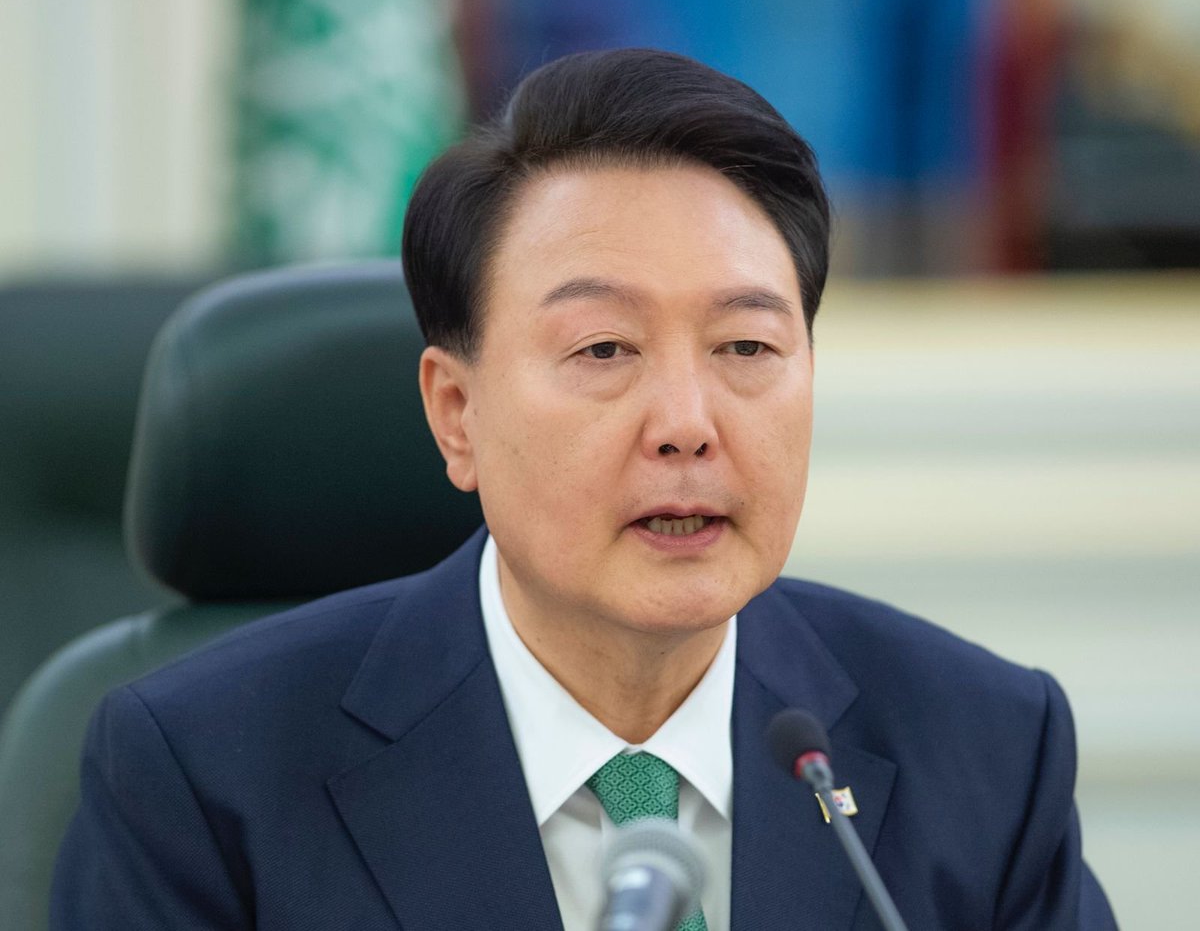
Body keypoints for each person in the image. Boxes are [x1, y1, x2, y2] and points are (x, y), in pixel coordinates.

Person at [51, 48, 1116, 929]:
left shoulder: (984, 748)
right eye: (605, 350)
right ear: (456, 413)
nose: (687, 424)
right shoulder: (202, 776)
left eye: (746, 346)